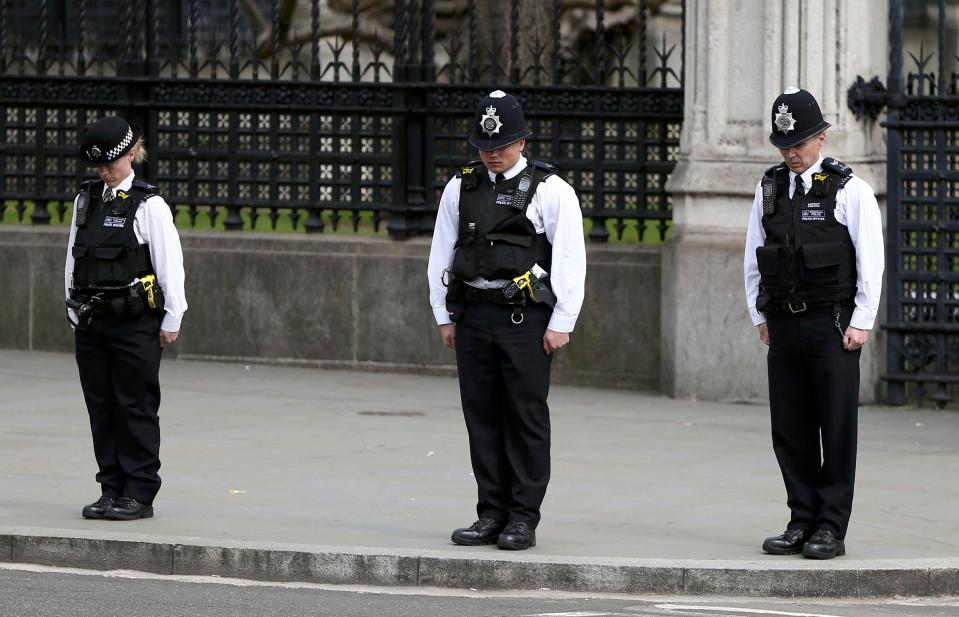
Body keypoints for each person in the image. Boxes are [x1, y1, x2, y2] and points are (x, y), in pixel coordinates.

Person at [427, 90, 586, 551]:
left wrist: (562, 321)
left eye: (502, 144)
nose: (493, 154)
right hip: (474, 314)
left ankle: (522, 517)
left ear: (521, 140)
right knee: (482, 417)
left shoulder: (551, 189)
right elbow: (442, 250)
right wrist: (443, 313)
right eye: (485, 145)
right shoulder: (462, 187)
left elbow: (571, 260)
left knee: (525, 418)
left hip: (524, 319)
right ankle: (490, 513)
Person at [743, 88, 884, 559]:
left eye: (800, 141)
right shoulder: (769, 189)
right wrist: (759, 313)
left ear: (821, 137)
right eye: (784, 143)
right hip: (784, 325)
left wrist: (861, 320)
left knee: (836, 427)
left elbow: (871, 260)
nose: (792, 151)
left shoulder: (850, 190)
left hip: (833, 325)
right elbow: (752, 258)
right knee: (790, 426)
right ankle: (801, 519)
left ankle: (831, 527)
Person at [65, 116, 187, 521]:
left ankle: (139, 492)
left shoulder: (149, 204)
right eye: (98, 166)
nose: (103, 171)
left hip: (134, 323)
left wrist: (172, 318)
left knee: (134, 406)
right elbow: (73, 256)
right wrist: (72, 308)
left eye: (110, 164)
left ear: (131, 154)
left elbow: (171, 265)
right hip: (93, 321)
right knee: (101, 408)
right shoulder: (86, 200)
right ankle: (111, 488)